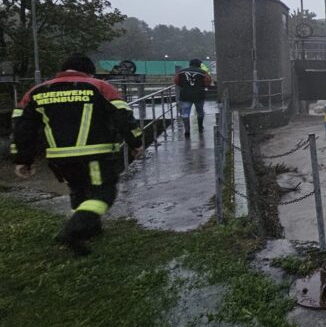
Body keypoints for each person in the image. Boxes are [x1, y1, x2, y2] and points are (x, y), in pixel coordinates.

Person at [11, 54, 144, 255]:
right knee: (103, 193)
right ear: (89, 71)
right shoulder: (99, 86)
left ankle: (90, 230)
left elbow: (22, 128)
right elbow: (123, 116)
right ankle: (74, 229)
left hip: (59, 158)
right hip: (96, 154)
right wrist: (136, 142)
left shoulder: (36, 92)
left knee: (79, 191)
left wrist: (22, 159)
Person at [174, 58, 212, 138]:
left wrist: (184, 86)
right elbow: (208, 82)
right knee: (200, 112)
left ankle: (187, 130)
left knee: (185, 113)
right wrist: (202, 86)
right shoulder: (203, 72)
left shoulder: (181, 71)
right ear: (199, 64)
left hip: (185, 95)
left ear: (190, 64)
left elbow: (176, 81)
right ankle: (200, 127)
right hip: (199, 95)